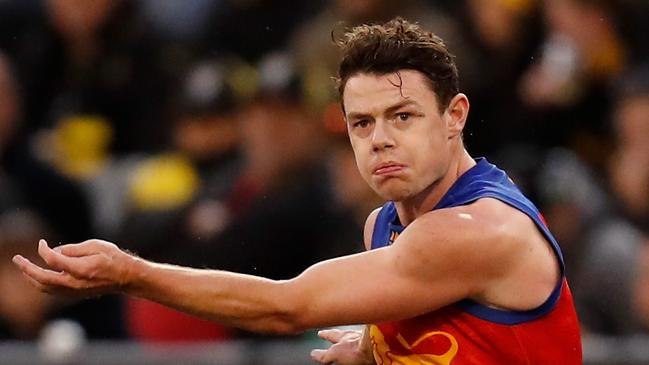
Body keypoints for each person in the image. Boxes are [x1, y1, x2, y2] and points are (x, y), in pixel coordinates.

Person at [13, 18, 582, 364]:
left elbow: (288, 308)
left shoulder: (476, 232)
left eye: (402, 116)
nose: (380, 140)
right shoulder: (383, 225)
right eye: (362, 124)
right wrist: (378, 351)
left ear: (454, 115)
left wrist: (130, 274)